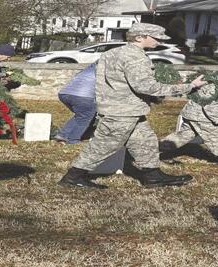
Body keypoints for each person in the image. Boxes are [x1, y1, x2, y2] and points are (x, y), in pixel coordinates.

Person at [59, 23, 207, 189]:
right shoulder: (135, 57)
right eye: (155, 38)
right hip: (122, 113)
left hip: (125, 109)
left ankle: (153, 176)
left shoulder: (111, 53)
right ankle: (73, 177)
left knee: (146, 141)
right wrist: (189, 86)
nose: (159, 41)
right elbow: (146, 86)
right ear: (139, 37)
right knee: (103, 146)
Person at [160, 66, 218, 168]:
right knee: (215, 136)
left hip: (194, 114)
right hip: (201, 116)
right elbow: (210, 106)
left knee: (184, 135)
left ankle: (154, 151)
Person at [54, 63, 97, 144]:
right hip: (83, 96)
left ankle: (62, 134)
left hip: (64, 94)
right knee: (85, 117)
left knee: (80, 115)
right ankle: (73, 139)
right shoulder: (103, 70)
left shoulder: (87, 70)